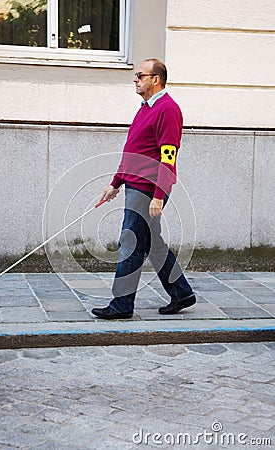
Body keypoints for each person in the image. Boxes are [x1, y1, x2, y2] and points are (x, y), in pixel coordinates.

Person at [92, 58, 196, 320]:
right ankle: (181, 293)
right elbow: (134, 152)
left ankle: (122, 305)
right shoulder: (145, 108)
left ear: (156, 79)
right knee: (152, 243)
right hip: (136, 185)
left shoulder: (168, 110)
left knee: (130, 241)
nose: (135, 79)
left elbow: (168, 158)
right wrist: (115, 183)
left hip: (149, 189)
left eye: (140, 75)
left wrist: (159, 195)